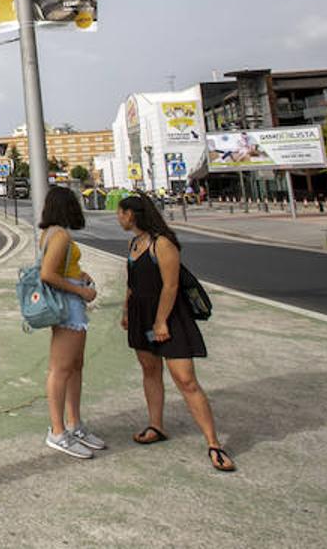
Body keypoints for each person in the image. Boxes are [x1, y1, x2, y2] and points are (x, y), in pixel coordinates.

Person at [117, 193, 236, 472]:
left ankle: (214, 443)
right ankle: (156, 425)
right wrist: (125, 311)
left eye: (121, 213)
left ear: (132, 214)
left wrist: (161, 322)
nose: (119, 218)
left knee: (186, 380)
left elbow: (170, 286)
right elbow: (132, 283)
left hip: (168, 317)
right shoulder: (134, 243)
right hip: (139, 314)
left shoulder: (163, 243)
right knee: (149, 370)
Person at [37, 185, 106, 460]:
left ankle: (75, 424)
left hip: (69, 304)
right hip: (68, 306)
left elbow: (60, 269)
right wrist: (82, 290)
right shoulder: (61, 235)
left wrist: (80, 273)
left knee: (75, 366)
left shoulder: (52, 233)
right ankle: (58, 431)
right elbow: (47, 274)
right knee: (61, 369)